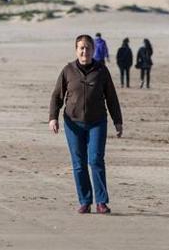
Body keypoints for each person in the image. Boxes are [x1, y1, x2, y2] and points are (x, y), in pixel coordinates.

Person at [49, 34, 123, 214]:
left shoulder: (101, 70)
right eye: (81, 48)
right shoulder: (68, 70)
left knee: (96, 160)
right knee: (79, 163)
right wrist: (53, 117)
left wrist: (118, 121)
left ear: (93, 50)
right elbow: (56, 95)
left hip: (97, 122)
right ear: (76, 50)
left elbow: (111, 97)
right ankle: (85, 200)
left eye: (88, 47)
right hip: (73, 123)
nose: (85, 51)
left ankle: (101, 202)